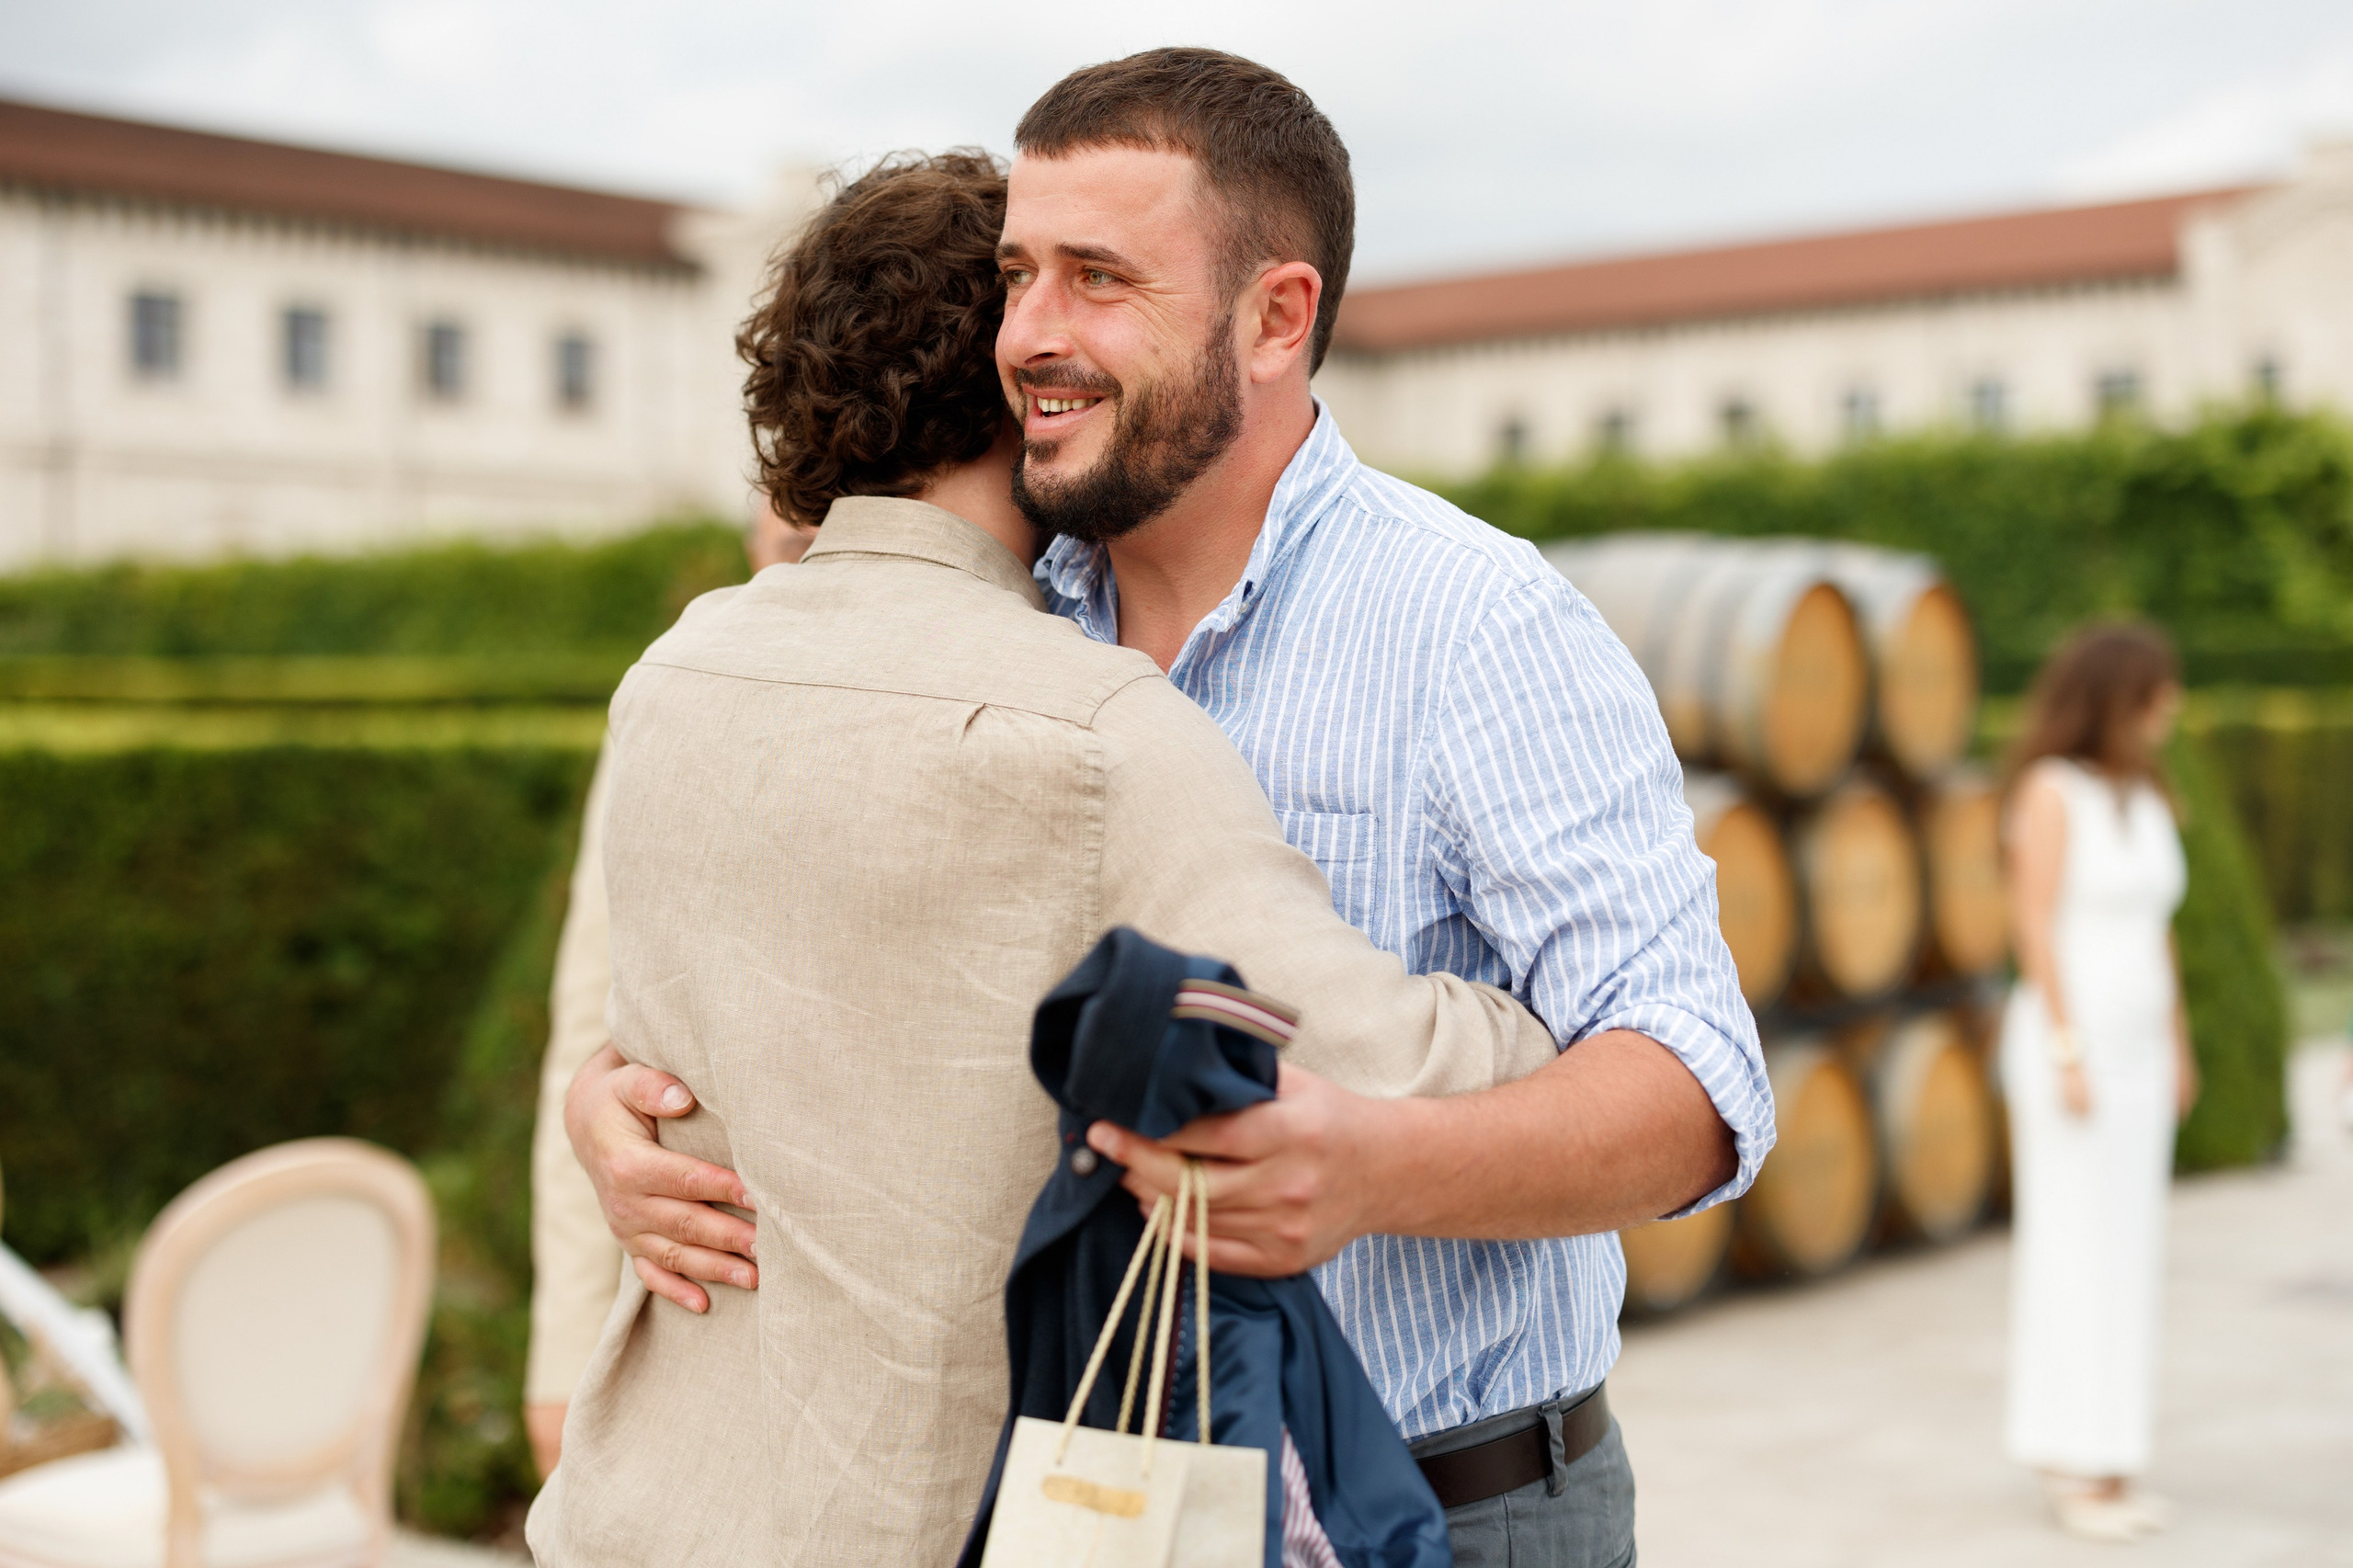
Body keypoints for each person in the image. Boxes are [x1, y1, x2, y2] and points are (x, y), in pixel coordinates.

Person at [570, 48, 1771, 1565]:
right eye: (1017, 277)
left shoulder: (1478, 625)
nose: (1027, 337)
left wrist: (1373, 1169)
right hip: (1098, 1512)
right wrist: (618, 1109)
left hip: (1447, 1502)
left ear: (1277, 317)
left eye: (1098, 280)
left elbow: (1697, 1090)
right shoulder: (1006, 613)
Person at [520, 499, 813, 1478]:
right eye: (792, 551)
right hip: (699, 1330)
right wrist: (561, 1359)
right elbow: (582, 1031)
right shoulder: (676, 694)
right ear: (751, 548)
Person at [1999, 622, 2199, 1541]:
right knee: (2073, 1247)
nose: (2170, 706)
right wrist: (2069, 1048)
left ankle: (2113, 1453)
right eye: (2156, 691)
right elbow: (2032, 923)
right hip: (2066, 1051)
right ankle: (2065, 1454)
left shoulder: (2148, 795)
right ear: (2115, 696)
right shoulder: (2053, 791)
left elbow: (2159, 928)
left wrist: (2179, 1043)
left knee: (2131, 1250)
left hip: (2142, 1052)